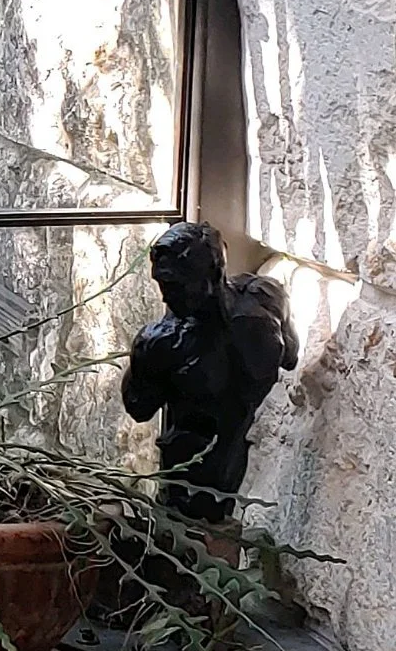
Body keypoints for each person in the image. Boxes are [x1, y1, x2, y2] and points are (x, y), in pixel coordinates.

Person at [122, 221, 299, 522]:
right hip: (210, 473)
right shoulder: (266, 297)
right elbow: (290, 356)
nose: (165, 297)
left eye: (175, 285)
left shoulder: (165, 343)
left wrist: (148, 357)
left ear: (212, 273)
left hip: (203, 477)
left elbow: (139, 406)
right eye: (162, 284)